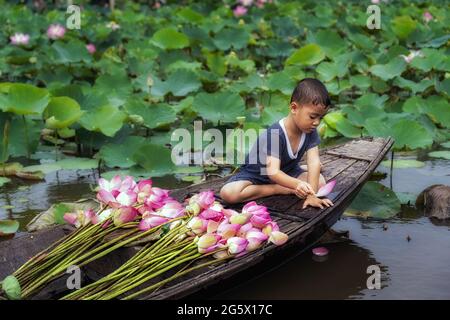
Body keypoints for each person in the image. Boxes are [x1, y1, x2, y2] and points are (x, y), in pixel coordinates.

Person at [220, 78, 334, 209]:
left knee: (320, 183)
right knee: (229, 194)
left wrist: (312, 195)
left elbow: (313, 161)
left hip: (287, 170)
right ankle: (277, 188)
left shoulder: (310, 130)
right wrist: (296, 185)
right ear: (294, 108)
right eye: (313, 117)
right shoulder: (275, 134)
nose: (317, 122)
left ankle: (297, 175)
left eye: (321, 118)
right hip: (259, 174)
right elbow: (273, 172)